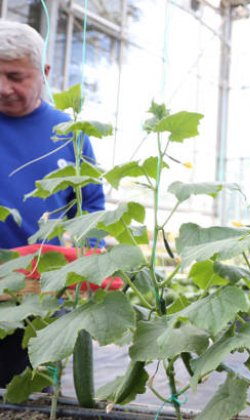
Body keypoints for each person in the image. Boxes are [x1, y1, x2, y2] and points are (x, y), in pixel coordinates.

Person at [0, 20, 105, 388]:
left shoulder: (70, 134)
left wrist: (92, 262)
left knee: (27, 395)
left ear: (44, 72)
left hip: (40, 297)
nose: (3, 88)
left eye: (15, 76)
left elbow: (91, 207)